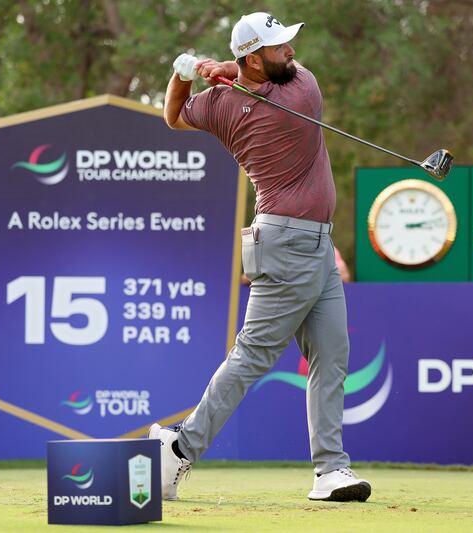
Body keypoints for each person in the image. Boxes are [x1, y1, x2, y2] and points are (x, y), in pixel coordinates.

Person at [150, 12, 371, 503]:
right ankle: (179, 449)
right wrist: (217, 67)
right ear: (255, 57)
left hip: (313, 246)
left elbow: (174, 115)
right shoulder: (302, 91)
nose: (291, 52)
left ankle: (330, 471)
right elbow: (261, 78)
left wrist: (188, 72)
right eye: (280, 47)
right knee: (253, 356)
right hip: (288, 244)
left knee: (332, 356)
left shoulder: (223, 104)